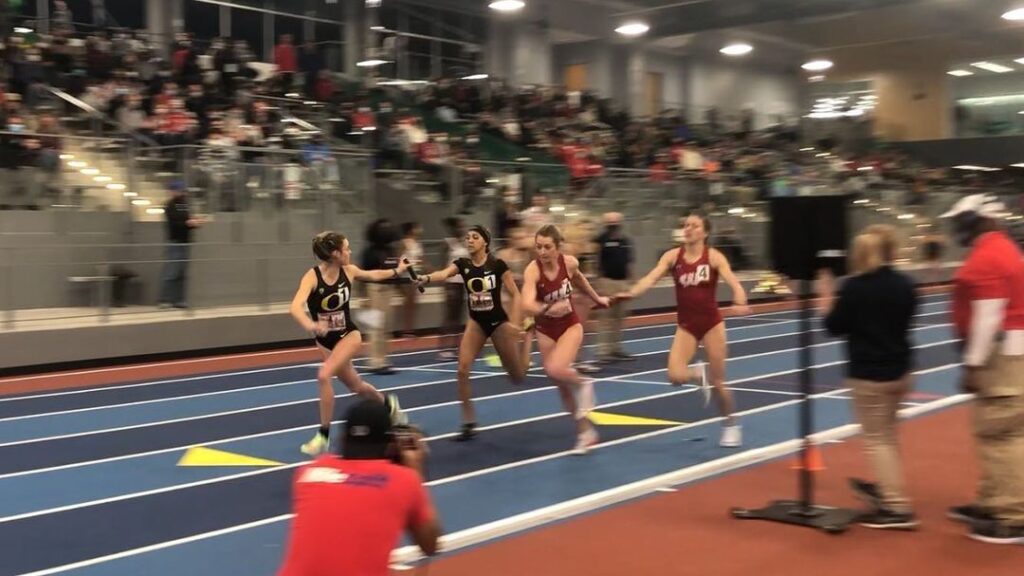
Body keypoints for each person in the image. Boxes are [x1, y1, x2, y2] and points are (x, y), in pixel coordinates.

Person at [618, 213, 750, 447]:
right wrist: (631, 293)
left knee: (719, 383)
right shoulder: (672, 256)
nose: (688, 229)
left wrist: (740, 299)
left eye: (694, 225)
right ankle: (699, 374)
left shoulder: (714, 256)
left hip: (711, 324)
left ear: (704, 233)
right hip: (687, 326)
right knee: (675, 376)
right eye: (685, 225)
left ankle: (731, 424)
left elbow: (734, 283)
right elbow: (650, 279)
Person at [816, 230, 919, 530]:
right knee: (887, 435)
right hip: (900, 371)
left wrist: (826, 294)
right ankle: (889, 488)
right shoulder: (905, 285)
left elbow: (833, 327)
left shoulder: (854, 288)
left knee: (877, 440)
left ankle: (896, 507)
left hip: (869, 375)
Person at [941, 194, 1024, 544]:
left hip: (1001, 352)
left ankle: (1013, 516)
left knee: (1001, 432)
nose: (960, 228)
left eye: (965, 220)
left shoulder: (989, 257)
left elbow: (989, 317)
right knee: (998, 430)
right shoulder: (1001, 249)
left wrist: (972, 364)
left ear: (984, 221)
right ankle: (995, 499)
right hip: (1010, 348)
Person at [277, 400, 440, 576]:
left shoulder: (307, 472)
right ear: (390, 444)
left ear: (343, 438)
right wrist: (416, 469)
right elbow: (429, 545)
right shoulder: (404, 480)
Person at [289, 232, 409, 456]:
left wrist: (397, 271)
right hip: (325, 341)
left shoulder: (350, 271)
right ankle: (389, 405)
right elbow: (295, 306)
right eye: (347, 248)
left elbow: (373, 275)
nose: (350, 251)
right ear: (335, 254)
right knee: (356, 387)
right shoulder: (312, 277)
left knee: (324, 376)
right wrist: (311, 325)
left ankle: (323, 436)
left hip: (348, 335)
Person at [417, 225, 528, 441]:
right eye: (467, 238)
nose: (469, 241)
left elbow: (516, 294)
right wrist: (426, 278)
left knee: (517, 376)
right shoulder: (462, 264)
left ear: (485, 242)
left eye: (474, 237)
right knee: (462, 370)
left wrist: (515, 324)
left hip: (498, 323)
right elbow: (444, 273)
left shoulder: (497, 265)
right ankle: (469, 422)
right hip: (476, 322)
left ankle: (528, 338)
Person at [521, 224, 610, 454]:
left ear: (558, 247)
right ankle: (585, 433)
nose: (542, 252)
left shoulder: (569, 263)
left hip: (570, 325)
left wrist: (597, 299)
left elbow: (580, 280)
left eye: (547, 247)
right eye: (538, 247)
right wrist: (545, 308)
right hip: (546, 328)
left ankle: (584, 382)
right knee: (560, 383)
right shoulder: (533, 270)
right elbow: (526, 303)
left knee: (555, 368)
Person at [593, 212, 635, 363]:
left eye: (616, 221)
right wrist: (598, 285)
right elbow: (595, 262)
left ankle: (615, 348)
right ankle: (603, 351)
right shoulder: (600, 240)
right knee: (606, 319)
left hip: (622, 283)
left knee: (619, 318)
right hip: (607, 282)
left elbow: (629, 262)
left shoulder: (625, 240)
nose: (613, 224)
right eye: (610, 221)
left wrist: (631, 283)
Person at [159, 181, 202, 309]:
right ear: (172, 191)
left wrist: (194, 222)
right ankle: (165, 299)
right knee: (171, 272)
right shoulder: (170, 206)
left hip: (185, 242)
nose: (181, 193)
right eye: (178, 190)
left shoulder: (183, 205)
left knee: (181, 273)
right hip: (176, 242)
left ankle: (179, 299)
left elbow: (185, 218)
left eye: (182, 190)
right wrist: (188, 223)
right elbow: (175, 222)